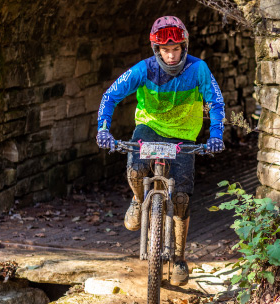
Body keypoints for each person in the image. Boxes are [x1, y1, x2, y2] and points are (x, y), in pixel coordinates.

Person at [95, 16, 225, 286]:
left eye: (176, 49)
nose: (171, 55)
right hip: (149, 128)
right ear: (156, 50)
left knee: (180, 199)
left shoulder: (199, 69)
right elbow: (110, 95)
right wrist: (103, 130)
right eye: (165, 50)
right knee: (135, 169)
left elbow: (216, 102)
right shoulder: (143, 70)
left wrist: (215, 135)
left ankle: (179, 258)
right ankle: (136, 198)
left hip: (183, 135)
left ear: (184, 47)